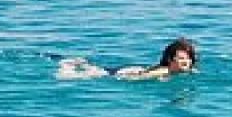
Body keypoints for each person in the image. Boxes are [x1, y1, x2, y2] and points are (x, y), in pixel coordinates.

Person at [55, 39, 198, 81]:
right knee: (94, 72)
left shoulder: (187, 70)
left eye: (189, 58)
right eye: (182, 58)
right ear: (170, 59)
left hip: (137, 68)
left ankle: (77, 62)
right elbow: (137, 78)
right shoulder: (163, 70)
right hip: (127, 72)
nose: (187, 62)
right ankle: (67, 62)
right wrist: (125, 78)